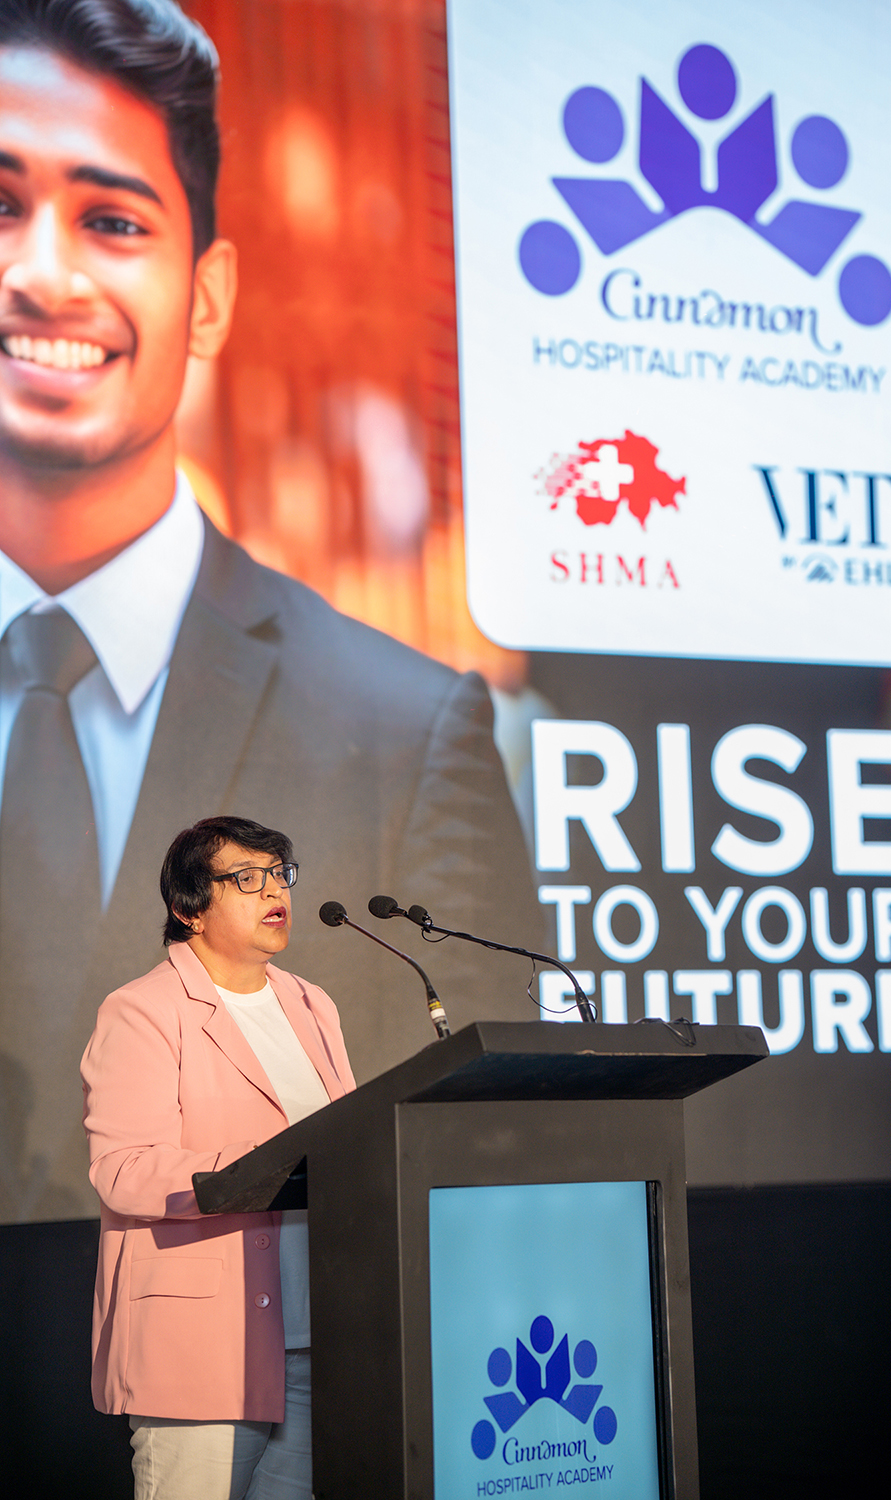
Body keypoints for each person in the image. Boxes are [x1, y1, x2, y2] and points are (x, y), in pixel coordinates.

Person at [0, 0, 541, 1225]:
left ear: (206, 296)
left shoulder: (407, 732)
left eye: (111, 220)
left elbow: (485, 1149)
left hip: (249, 1333)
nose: (43, 274)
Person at [82, 815, 355, 1500]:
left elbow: (350, 1139)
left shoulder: (311, 1004)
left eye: (280, 874)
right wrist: (264, 1162)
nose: (275, 891)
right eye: (247, 878)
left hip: (314, 1333)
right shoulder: (144, 1009)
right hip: (206, 1340)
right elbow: (124, 1171)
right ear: (189, 909)